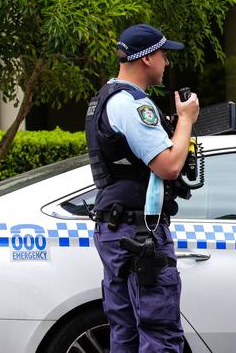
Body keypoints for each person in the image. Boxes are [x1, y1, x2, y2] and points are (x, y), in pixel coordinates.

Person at [85, 23, 199, 352]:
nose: (167, 62)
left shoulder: (103, 99)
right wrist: (186, 120)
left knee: (125, 332)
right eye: (164, 54)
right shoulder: (134, 104)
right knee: (159, 332)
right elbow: (169, 164)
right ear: (147, 58)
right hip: (141, 234)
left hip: (117, 228)